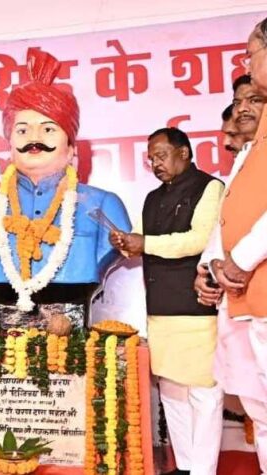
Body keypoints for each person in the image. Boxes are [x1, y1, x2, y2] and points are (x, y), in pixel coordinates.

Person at [0, 48, 130, 331]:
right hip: (2, 341)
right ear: (10, 146)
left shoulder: (104, 205)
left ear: (71, 148)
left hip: (72, 341)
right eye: (22, 130)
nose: (34, 138)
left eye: (48, 129)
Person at [111, 127, 224, 475]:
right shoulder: (152, 198)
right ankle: (186, 465)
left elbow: (198, 239)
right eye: (151, 159)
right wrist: (126, 243)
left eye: (161, 156)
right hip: (160, 307)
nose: (155, 163)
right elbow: (141, 241)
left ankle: (203, 469)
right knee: (172, 390)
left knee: (203, 392)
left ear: (184, 153)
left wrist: (144, 243)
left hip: (196, 304)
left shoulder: (209, 187)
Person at [196, 72, 267, 473]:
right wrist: (209, 268)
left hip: (258, 290)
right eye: (238, 101)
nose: (242, 109)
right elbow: (225, 225)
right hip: (242, 302)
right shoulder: (245, 158)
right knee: (260, 409)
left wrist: (237, 261)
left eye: (254, 99)